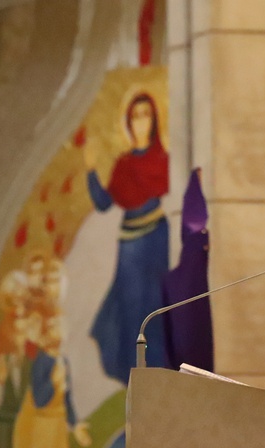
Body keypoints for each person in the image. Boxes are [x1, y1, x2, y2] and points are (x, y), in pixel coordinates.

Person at [84, 91, 170, 384]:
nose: (141, 122)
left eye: (146, 115)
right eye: (135, 116)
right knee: (130, 309)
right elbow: (103, 203)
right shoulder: (123, 165)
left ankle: (158, 377)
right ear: (128, 123)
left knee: (155, 308)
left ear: (154, 121)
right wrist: (91, 170)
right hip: (130, 244)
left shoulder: (164, 160)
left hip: (156, 238)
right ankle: (134, 378)